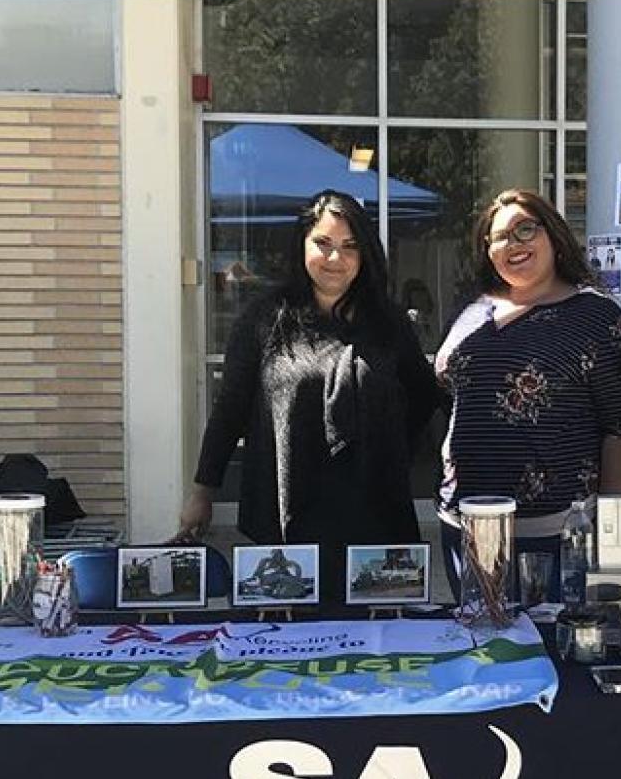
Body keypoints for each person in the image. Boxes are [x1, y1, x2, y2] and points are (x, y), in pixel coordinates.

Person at [177, 190, 442, 605]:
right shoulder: (264, 319)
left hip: (375, 516)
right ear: (302, 243)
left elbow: (425, 396)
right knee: (283, 648)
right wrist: (202, 492)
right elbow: (229, 410)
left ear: (365, 255)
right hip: (286, 514)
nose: (335, 258)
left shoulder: (389, 323)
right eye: (324, 243)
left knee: (383, 648)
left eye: (350, 247)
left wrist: (391, 442)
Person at [437, 189, 621, 599]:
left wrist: (609, 530)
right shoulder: (473, 310)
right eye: (499, 237)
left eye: (525, 230)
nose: (512, 244)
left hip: (551, 534)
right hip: (464, 525)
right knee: (480, 650)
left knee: (549, 653)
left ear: (553, 236)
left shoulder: (596, 317)